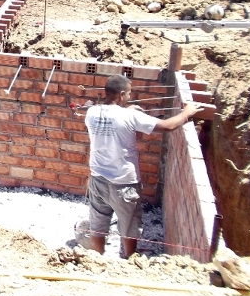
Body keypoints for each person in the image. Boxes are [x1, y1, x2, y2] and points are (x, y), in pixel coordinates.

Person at [84, 74, 199, 258]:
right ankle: (130, 260)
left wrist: (129, 110)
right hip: (124, 183)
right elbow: (167, 126)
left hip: (97, 180)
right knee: (129, 226)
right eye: (129, 93)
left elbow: (113, 121)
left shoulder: (91, 113)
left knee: (98, 226)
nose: (130, 97)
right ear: (121, 94)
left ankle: (95, 259)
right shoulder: (131, 116)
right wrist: (187, 113)